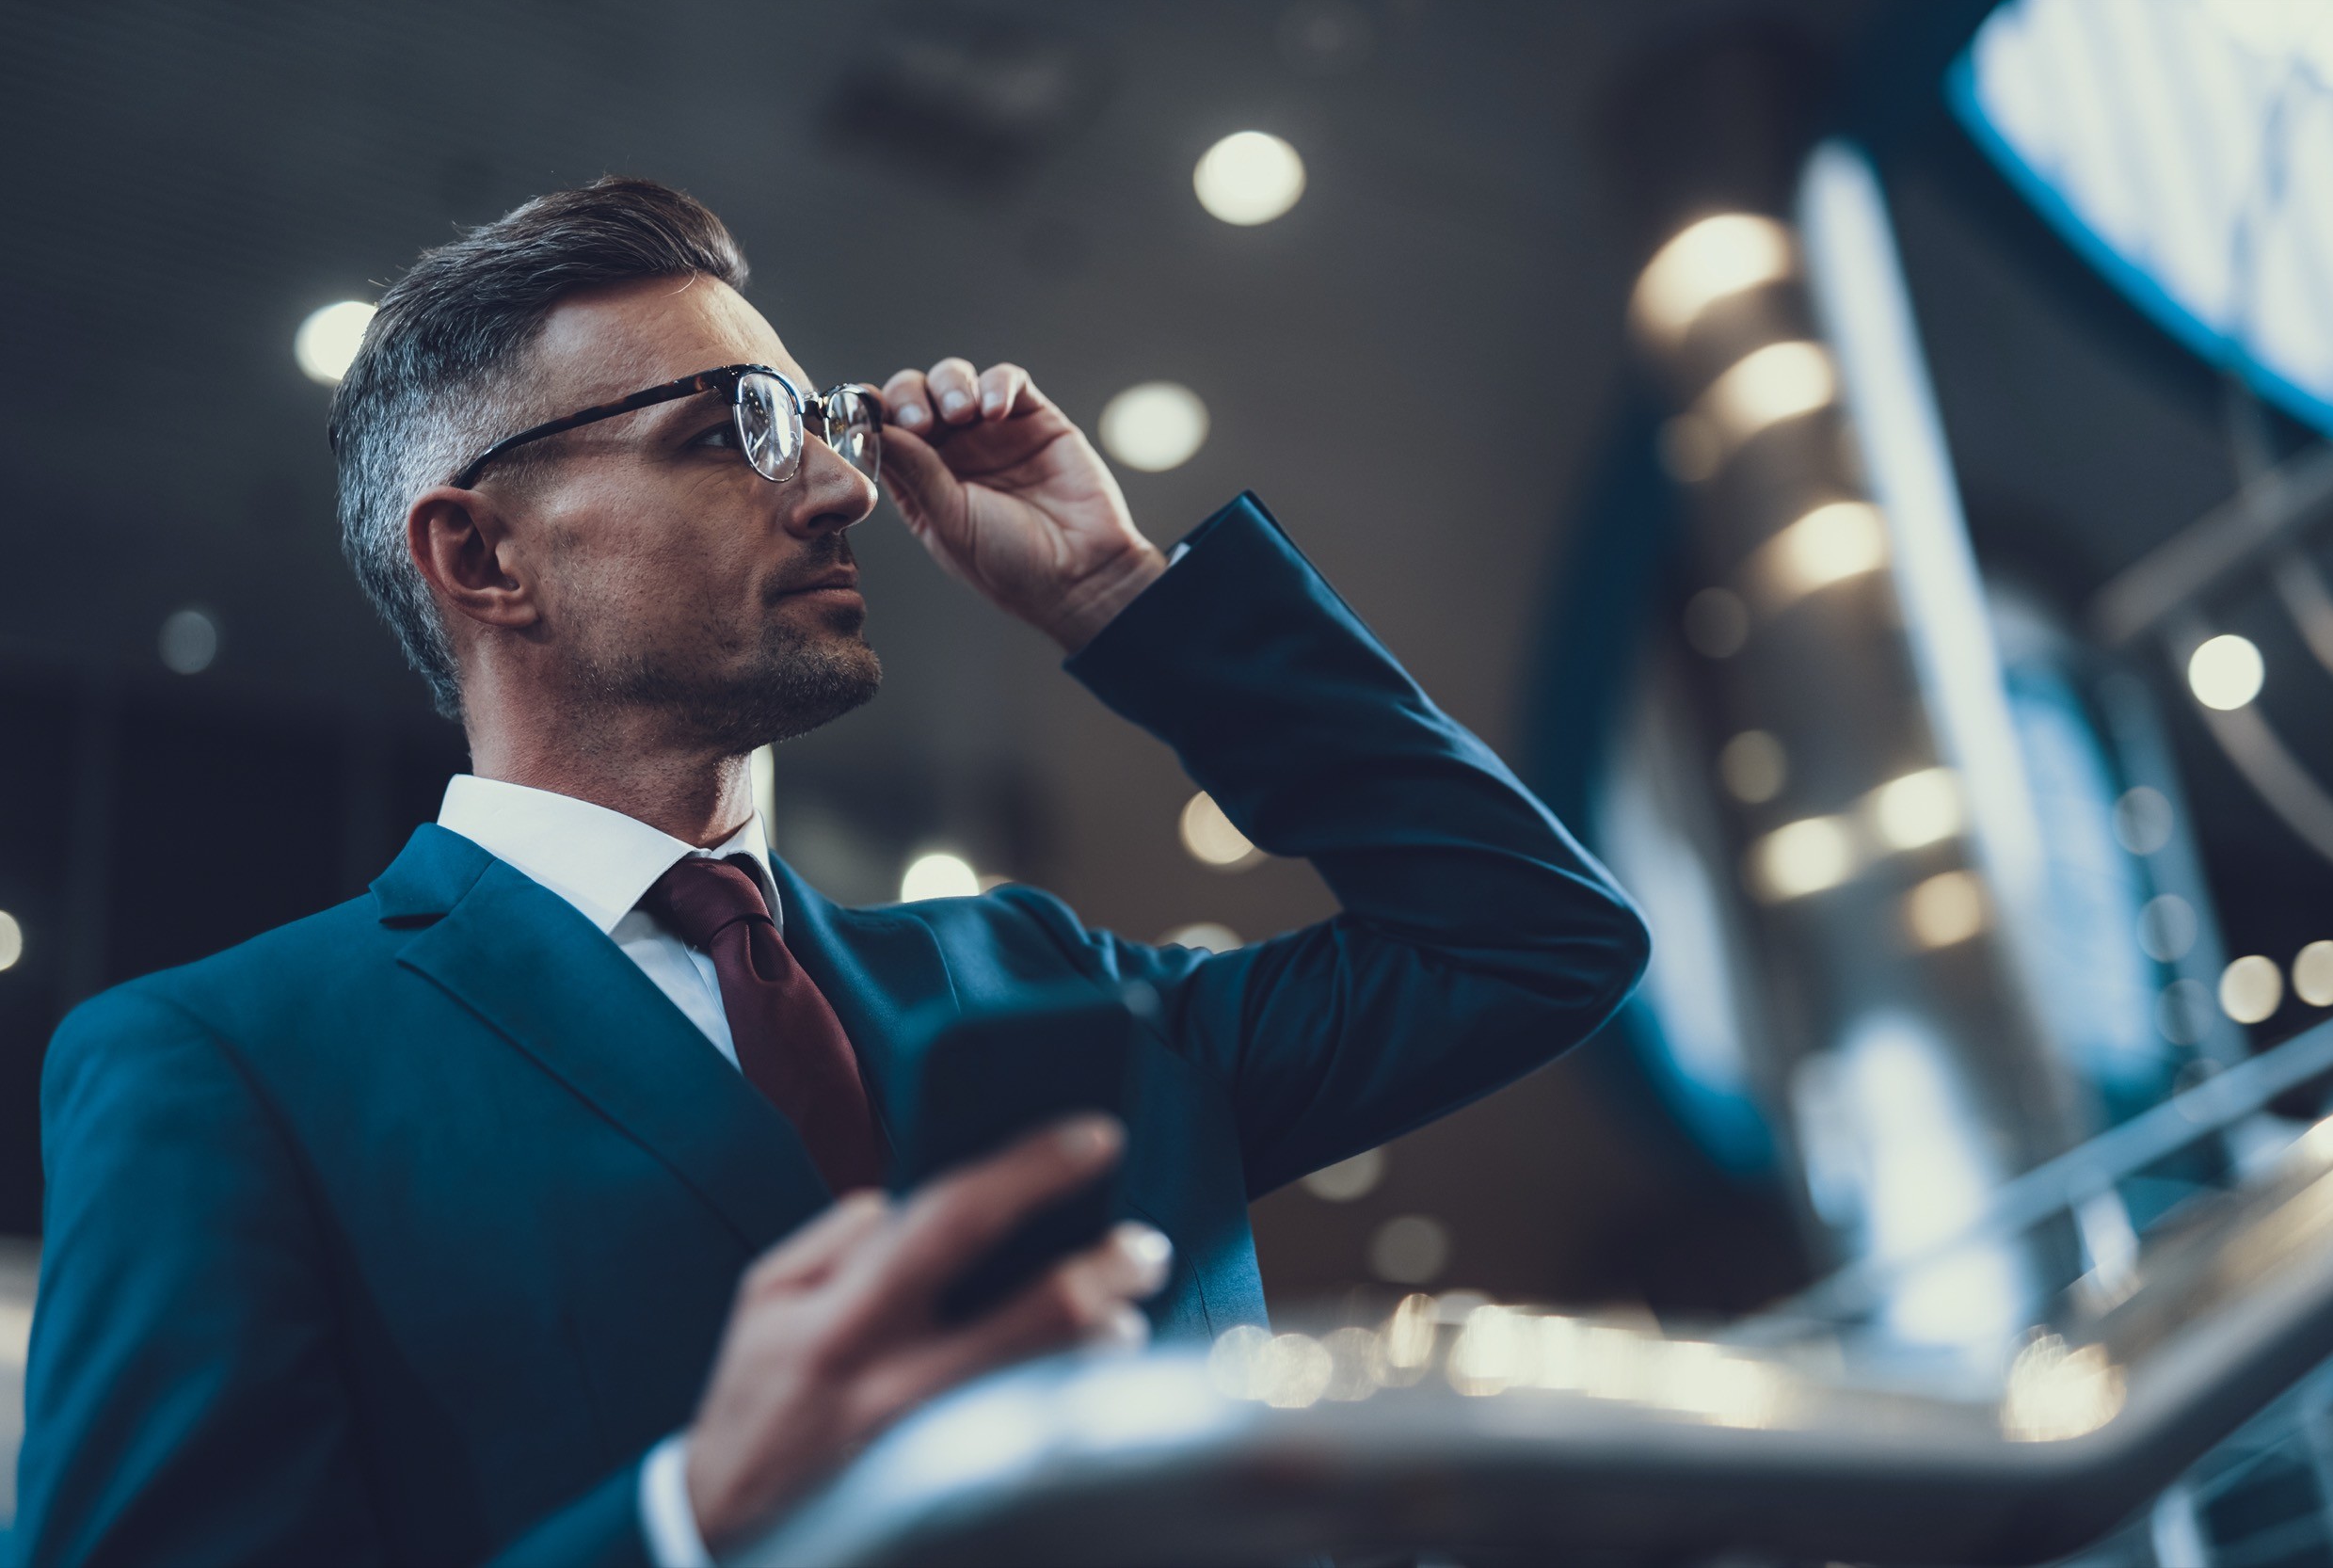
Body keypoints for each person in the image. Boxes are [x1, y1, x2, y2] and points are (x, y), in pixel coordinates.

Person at [15, 178, 1648, 1566]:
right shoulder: (227, 1068)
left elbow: (1534, 936)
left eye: (815, 419)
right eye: (729, 429)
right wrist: (690, 1519)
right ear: (483, 554)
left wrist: (1121, 596)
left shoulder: (1044, 977)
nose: (843, 483)